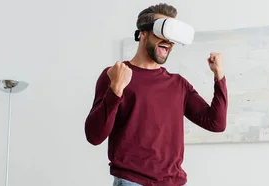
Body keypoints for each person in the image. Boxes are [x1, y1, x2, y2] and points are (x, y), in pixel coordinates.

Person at [84, 3, 228, 186]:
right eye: (162, 32)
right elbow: (94, 136)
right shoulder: (115, 74)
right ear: (142, 34)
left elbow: (216, 123)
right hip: (132, 182)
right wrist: (115, 90)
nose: (168, 41)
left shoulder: (178, 84)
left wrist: (219, 76)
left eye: (172, 36)